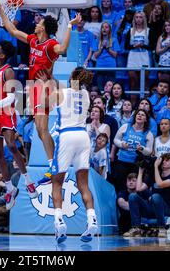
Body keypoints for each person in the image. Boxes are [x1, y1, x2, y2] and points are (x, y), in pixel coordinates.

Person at [0, 0, 82, 185]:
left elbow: (63, 49)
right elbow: (13, 31)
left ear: (44, 28)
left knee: (42, 128)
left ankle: (55, 165)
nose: (36, 23)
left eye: (39, 22)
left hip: (45, 85)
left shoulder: (50, 44)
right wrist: (1, 9)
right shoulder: (33, 40)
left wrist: (70, 26)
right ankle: (53, 165)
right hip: (35, 87)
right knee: (40, 131)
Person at [41, 67, 98, 243]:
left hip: (67, 135)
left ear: (72, 76)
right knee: (83, 184)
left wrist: (45, 85)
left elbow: (43, 105)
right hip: (83, 136)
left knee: (57, 182)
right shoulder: (87, 95)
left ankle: (59, 221)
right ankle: (92, 219)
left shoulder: (60, 93)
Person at [0, 41, 38, 209]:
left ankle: (28, 181)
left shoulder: (8, 71)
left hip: (5, 111)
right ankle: (9, 189)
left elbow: (12, 97)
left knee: (12, 145)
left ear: (2, 55)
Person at [123, 153, 170, 238]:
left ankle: (162, 228)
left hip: (167, 209)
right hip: (152, 208)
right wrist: (140, 172)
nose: (164, 162)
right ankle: (136, 229)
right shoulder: (154, 176)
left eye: (167, 160)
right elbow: (138, 188)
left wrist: (155, 167)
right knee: (133, 196)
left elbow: (160, 184)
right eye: (163, 160)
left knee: (155, 196)